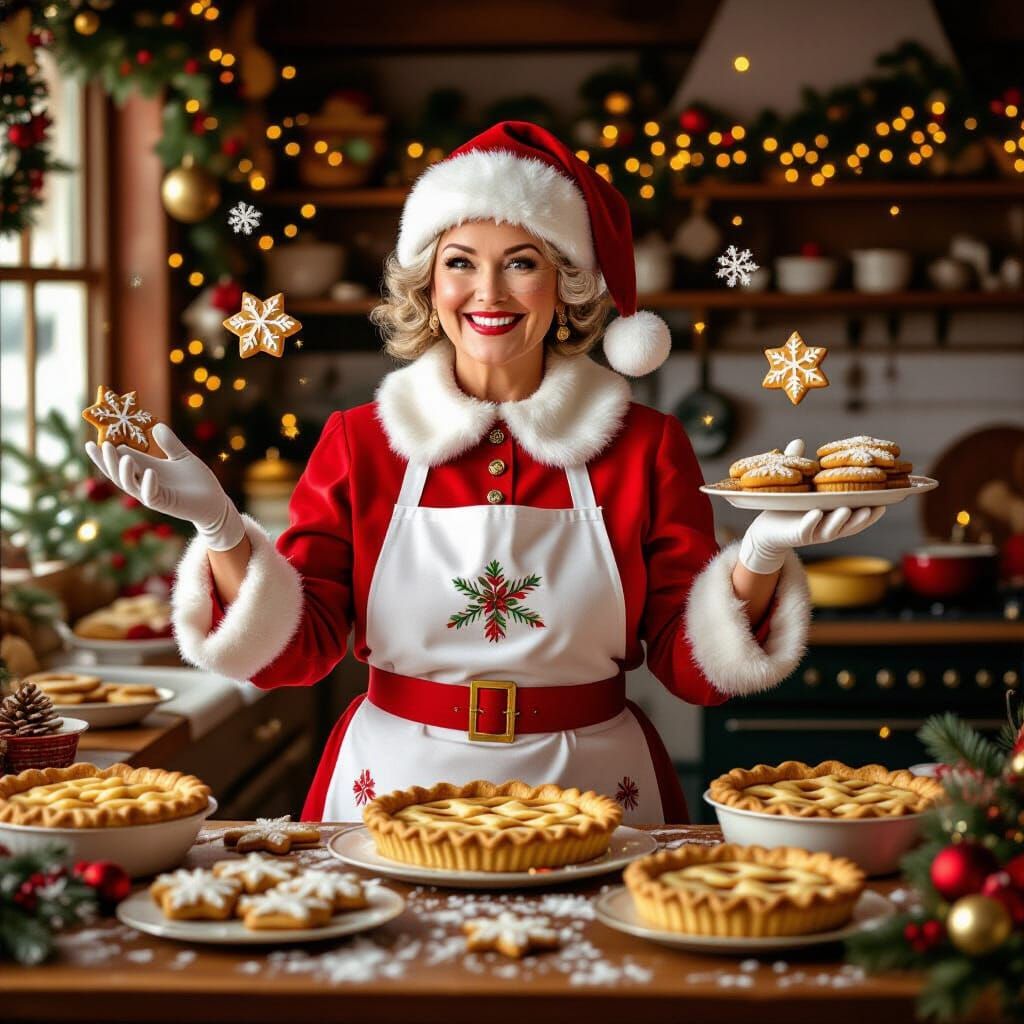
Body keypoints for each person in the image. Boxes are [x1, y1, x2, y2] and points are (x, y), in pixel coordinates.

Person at [86, 122, 884, 824]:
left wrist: (759, 559)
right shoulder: (359, 442)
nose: (488, 293)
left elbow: (690, 666)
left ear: (567, 286)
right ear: (429, 285)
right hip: (390, 788)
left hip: (598, 793)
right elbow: (302, 651)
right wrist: (221, 530)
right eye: (461, 262)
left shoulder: (645, 447)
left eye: (522, 263)